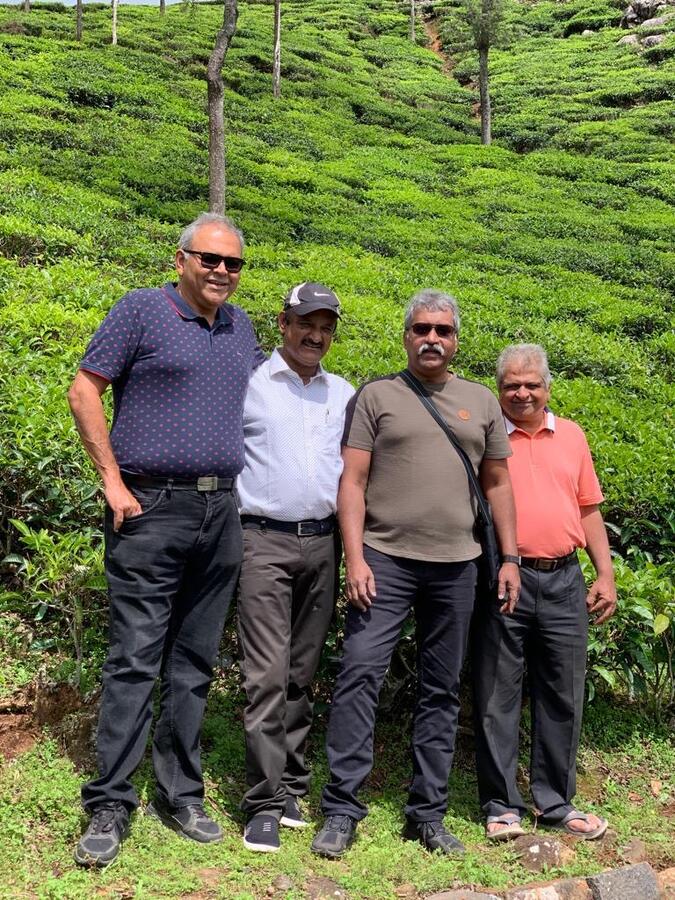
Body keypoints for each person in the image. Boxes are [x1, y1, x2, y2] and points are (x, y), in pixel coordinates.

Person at [68, 212, 265, 867]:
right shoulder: (141, 311)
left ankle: (179, 794)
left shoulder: (240, 327)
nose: (221, 271)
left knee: (194, 663)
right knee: (134, 658)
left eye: (232, 263)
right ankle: (110, 802)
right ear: (180, 259)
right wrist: (112, 481)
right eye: (209, 259)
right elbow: (84, 390)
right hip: (150, 508)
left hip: (221, 510)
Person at [311, 289, 521, 858]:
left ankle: (427, 814)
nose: (432, 338)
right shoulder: (377, 395)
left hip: (458, 566)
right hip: (384, 560)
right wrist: (355, 557)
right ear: (406, 336)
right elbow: (352, 481)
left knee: (441, 688)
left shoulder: (481, 401)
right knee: (359, 674)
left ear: (456, 341)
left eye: (442, 331)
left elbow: (499, 484)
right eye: (422, 329)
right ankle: (341, 808)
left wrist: (509, 558)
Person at [473, 343, 617, 843]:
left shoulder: (571, 435)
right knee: (498, 693)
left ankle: (556, 801)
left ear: (547, 388)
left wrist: (605, 573)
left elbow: (588, 508)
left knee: (562, 693)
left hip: (563, 579)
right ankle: (501, 805)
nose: (522, 393)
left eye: (531, 384)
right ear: (498, 390)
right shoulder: (488, 438)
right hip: (504, 578)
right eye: (511, 385)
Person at [236, 282, 354, 853]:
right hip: (262, 540)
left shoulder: (343, 394)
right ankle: (262, 802)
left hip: (323, 543)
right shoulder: (251, 384)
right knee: (266, 674)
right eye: (306, 323)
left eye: (326, 327)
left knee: (301, 672)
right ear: (283, 323)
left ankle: (289, 785)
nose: (315, 335)